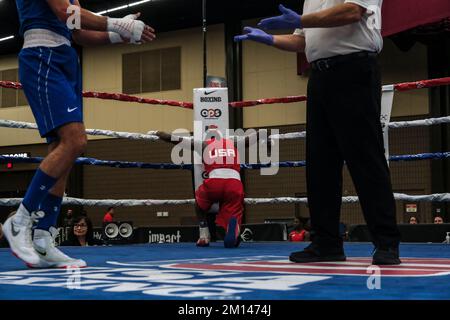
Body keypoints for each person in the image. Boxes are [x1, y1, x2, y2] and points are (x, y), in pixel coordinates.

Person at [235, 0, 402, 265]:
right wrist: (270, 40)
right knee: (320, 164)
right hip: (320, 77)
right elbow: (301, 41)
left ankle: (386, 243)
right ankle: (326, 243)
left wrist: (300, 20)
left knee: (366, 159)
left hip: (354, 70)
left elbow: (351, 12)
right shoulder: (311, 0)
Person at [3, 0, 156, 268]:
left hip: (64, 58)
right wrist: (119, 23)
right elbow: (66, 13)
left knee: (62, 149)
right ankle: (19, 221)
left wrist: (118, 34)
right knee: (75, 140)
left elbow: (76, 31)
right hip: (42, 54)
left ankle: (43, 239)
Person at [155, 129, 262, 248]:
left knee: (199, 203)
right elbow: (253, 138)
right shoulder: (233, 143)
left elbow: (177, 140)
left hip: (214, 183)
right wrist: (265, 135)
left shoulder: (204, 145)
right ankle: (233, 229)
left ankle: (204, 235)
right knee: (233, 210)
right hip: (234, 184)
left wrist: (159, 133)